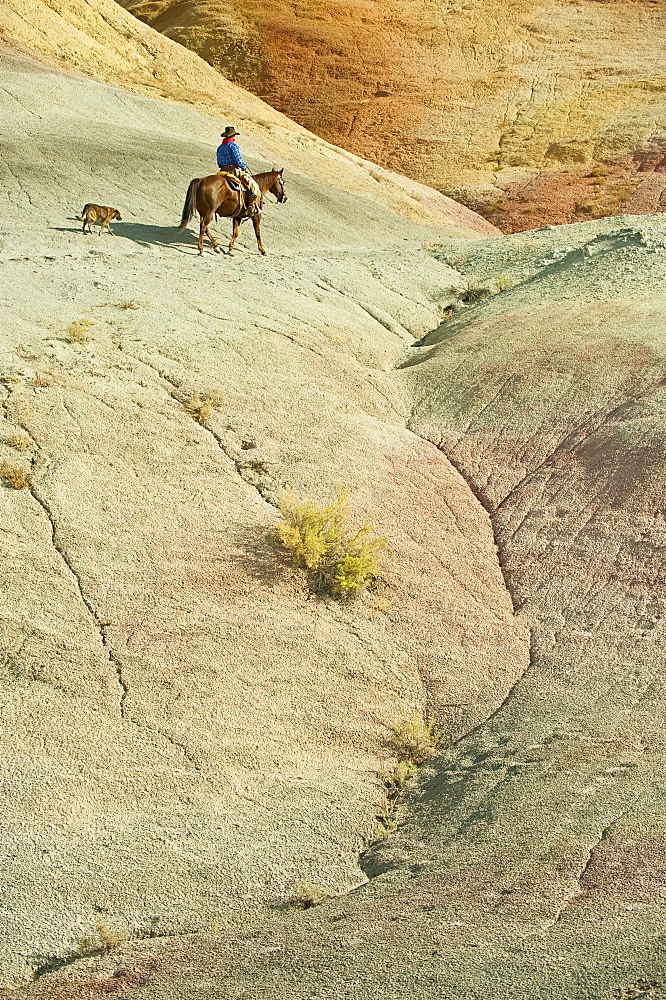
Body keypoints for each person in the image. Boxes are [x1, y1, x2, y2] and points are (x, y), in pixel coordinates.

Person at [216, 127, 262, 215]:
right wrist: (245, 169)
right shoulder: (233, 145)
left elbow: (219, 162)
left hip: (222, 170)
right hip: (234, 170)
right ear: (232, 136)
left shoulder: (220, 147)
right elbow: (238, 160)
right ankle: (251, 206)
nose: (234, 138)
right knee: (252, 185)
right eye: (234, 136)